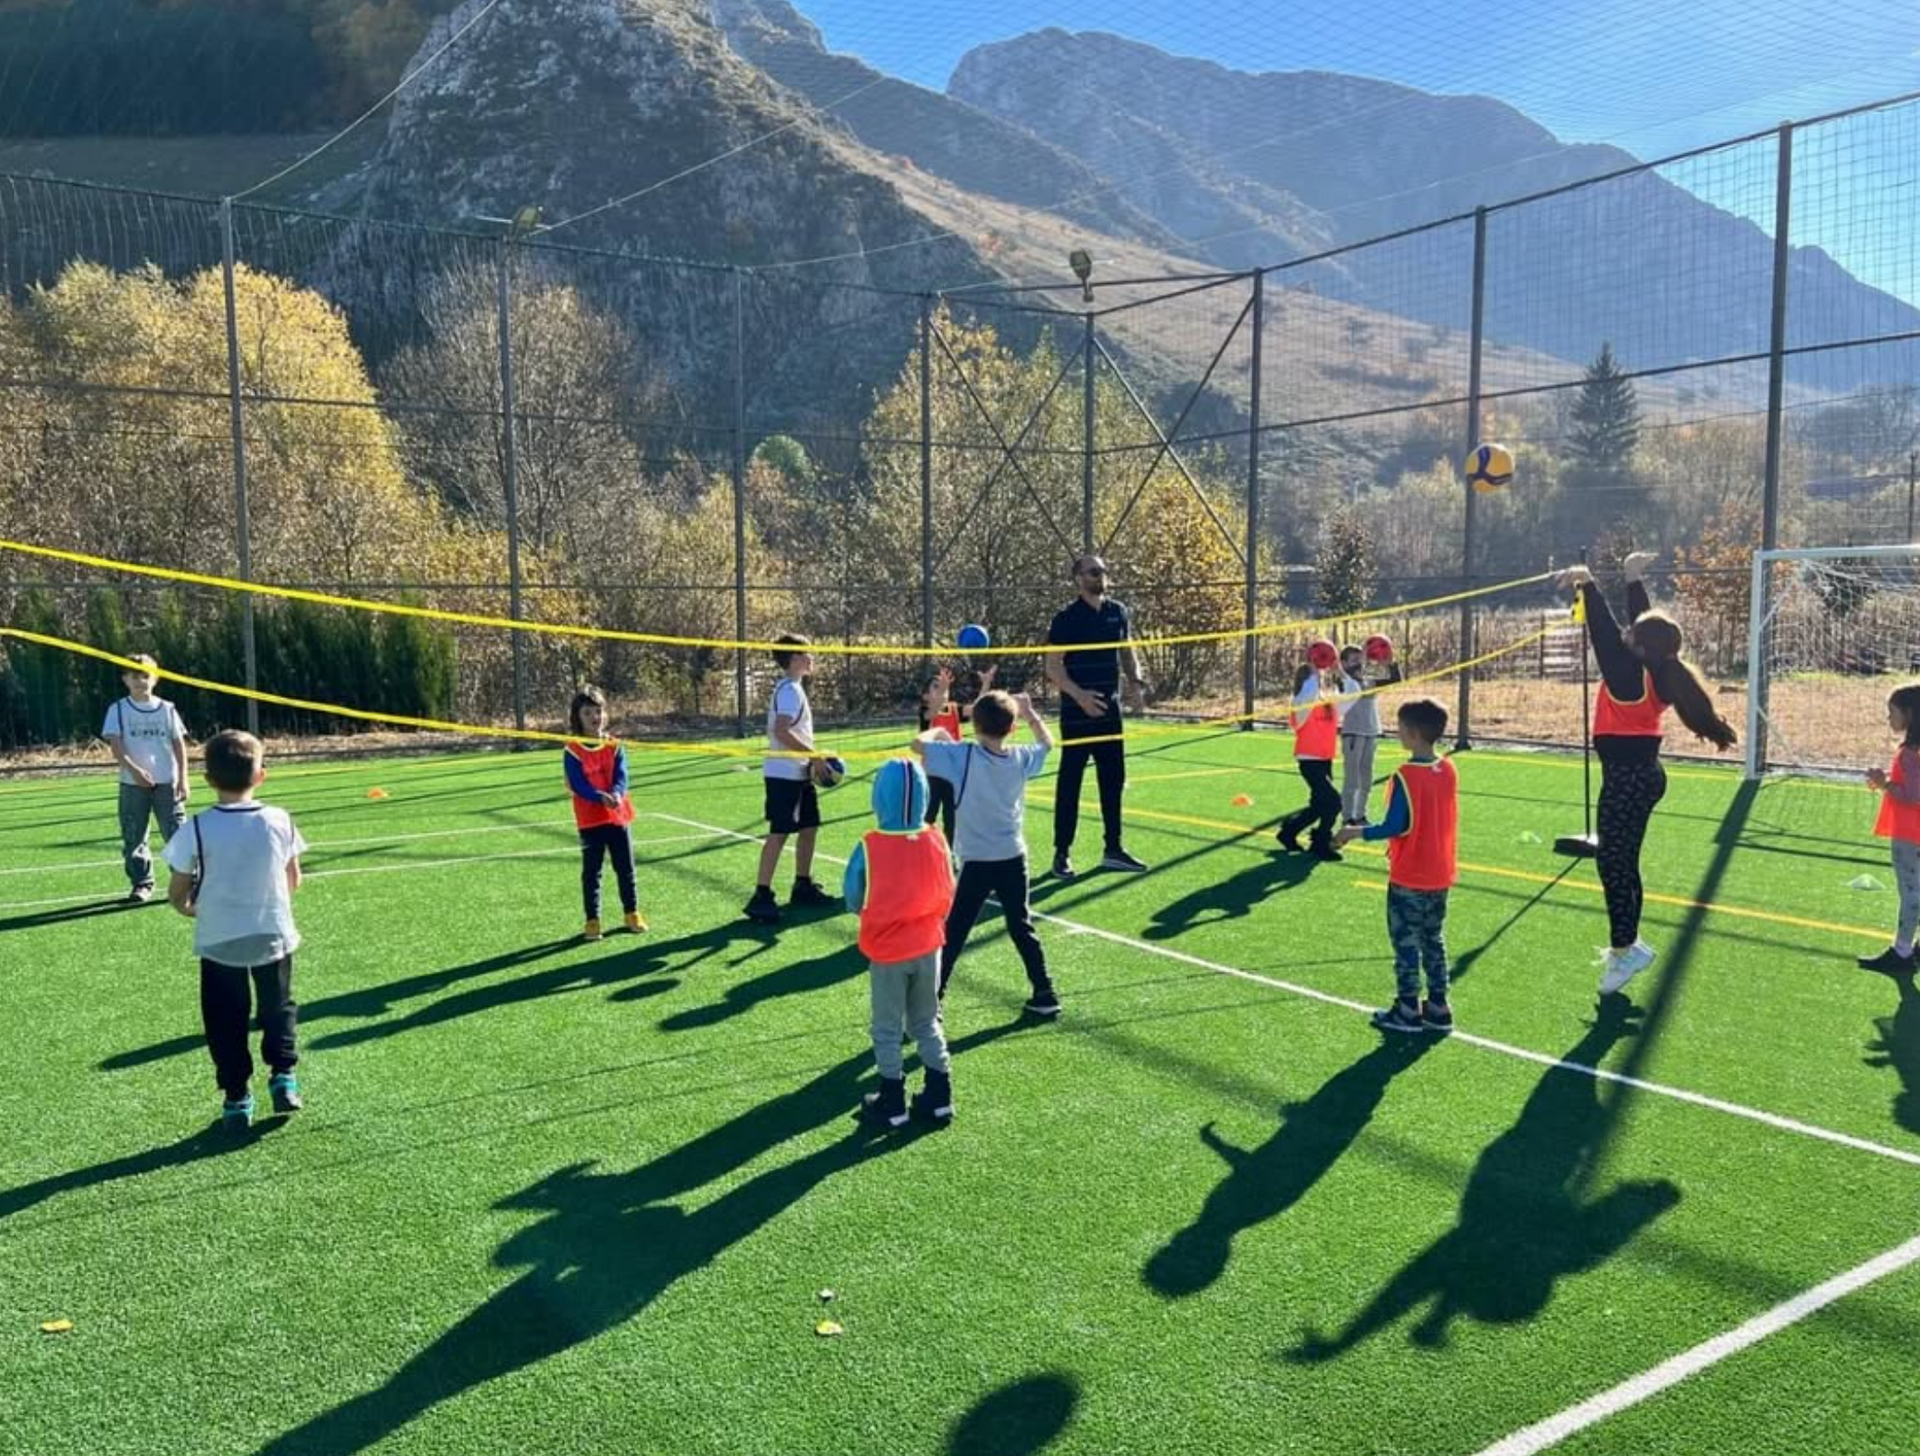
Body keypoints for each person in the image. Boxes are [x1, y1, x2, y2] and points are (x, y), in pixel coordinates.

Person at [1557, 552, 1738, 995]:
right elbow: (1643, 628)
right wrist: (1633, 577)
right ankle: (1628, 945)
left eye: (1631, 635)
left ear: (1639, 647)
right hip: (1641, 776)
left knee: (1613, 864)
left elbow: (1603, 634)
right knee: (1621, 861)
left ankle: (1625, 949)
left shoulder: (1628, 675)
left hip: (1627, 781)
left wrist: (1589, 584)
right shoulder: (1655, 665)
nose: (1625, 634)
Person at [161, 730, 305, 1131]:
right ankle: (284, 1075)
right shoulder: (279, 819)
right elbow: (293, 880)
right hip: (271, 930)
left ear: (208, 780)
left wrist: (189, 909)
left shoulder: (197, 827)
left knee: (225, 1018)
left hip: (219, 935)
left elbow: (177, 890)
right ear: (261, 776)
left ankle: (237, 1096)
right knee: (277, 1007)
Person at [916, 689, 1061, 1017]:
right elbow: (1048, 743)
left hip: (979, 860)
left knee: (954, 931)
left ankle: (933, 1000)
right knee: (1020, 925)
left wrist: (938, 730)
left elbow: (918, 746)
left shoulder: (963, 755)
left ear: (975, 726)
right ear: (1011, 728)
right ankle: (1045, 990)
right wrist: (1029, 712)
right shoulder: (1021, 756)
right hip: (1013, 856)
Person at [842, 758, 957, 1127]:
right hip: (929, 945)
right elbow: (948, 890)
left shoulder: (870, 844)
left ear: (880, 797)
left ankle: (892, 1099)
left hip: (889, 950)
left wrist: (867, 913)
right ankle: (940, 1094)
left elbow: (852, 895)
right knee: (926, 1021)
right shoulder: (936, 837)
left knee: (887, 1027)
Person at [1338, 698, 1458, 1033]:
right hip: (1440, 874)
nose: (1398, 732)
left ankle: (1407, 1009)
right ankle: (1438, 1006)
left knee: (1406, 943)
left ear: (1415, 733)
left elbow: (1395, 825)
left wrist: (1354, 831)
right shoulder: (1447, 768)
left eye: (1402, 727)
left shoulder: (1407, 774)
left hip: (1411, 876)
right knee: (1433, 938)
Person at [1044, 553, 1148, 879]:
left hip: (1110, 712)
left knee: (1113, 781)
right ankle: (1062, 853)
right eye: (1093, 572)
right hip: (1077, 713)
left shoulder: (1118, 612)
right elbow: (1052, 666)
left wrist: (1136, 683)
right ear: (1078, 578)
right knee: (1070, 782)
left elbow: (1127, 650)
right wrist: (1080, 696)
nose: (1100, 576)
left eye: (1103, 570)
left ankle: (1113, 849)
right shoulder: (1066, 618)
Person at [746, 633, 838, 924]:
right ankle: (761, 894)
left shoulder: (794, 688)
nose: (811, 657)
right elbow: (782, 731)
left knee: (809, 826)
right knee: (780, 831)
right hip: (784, 775)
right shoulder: (788, 691)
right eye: (806, 653)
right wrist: (814, 756)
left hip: (797, 772)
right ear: (794, 658)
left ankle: (802, 884)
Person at [103, 652, 189, 904]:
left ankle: (186, 882)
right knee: (134, 835)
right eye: (134, 676)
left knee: (176, 833)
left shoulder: (167, 709)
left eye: (145, 675)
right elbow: (116, 746)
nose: (140, 681)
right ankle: (142, 883)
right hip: (133, 785)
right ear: (125, 679)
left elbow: (178, 744)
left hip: (167, 783)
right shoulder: (117, 709)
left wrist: (183, 778)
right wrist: (135, 771)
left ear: (155, 678)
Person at [564, 686, 645, 942]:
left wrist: (617, 795)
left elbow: (622, 775)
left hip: (617, 815)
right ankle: (592, 920)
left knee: (626, 868)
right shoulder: (572, 750)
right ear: (578, 717)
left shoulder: (614, 745)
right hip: (590, 818)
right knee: (592, 872)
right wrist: (599, 797)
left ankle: (632, 913)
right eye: (587, 713)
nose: (594, 717)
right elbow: (577, 784)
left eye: (598, 711)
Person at [1860, 682, 1920, 974]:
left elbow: (1913, 795)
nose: (1889, 719)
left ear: (1909, 714)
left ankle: (1903, 952)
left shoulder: (1910, 753)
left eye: (1892, 712)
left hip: (1910, 835)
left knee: (1911, 894)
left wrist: (1885, 783)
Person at [919, 663, 996, 841]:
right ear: (925, 697)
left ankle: (949, 853)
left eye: (944, 686)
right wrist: (943, 690)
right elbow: (934, 711)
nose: (942, 689)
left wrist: (985, 684)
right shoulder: (926, 711)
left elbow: (979, 708)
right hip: (932, 772)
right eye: (936, 687)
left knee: (951, 816)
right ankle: (921, 846)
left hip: (954, 772)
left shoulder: (954, 709)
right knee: (929, 814)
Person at [1276, 660, 1344, 861]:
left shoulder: (1327, 702)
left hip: (1325, 759)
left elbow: (1351, 696)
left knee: (1319, 806)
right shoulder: (1301, 703)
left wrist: (1339, 670)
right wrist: (1317, 669)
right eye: (1314, 677)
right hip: (1309, 760)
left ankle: (1288, 831)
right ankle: (1320, 843)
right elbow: (1309, 693)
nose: (1319, 680)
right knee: (1334, 802)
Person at [1338, 643, 1401, 826]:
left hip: (1371, 730)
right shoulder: (1345, 678)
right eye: (1354, 659)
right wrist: (1367, 666)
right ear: (1344, 663)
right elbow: (1354, 682)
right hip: (1353, 731)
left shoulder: (1367, 672)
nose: (1359, 662)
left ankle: (1360, 815)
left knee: (1366, 778)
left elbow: (1395, 676)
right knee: (1352, 779)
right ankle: (1348, 817)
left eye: (1361, 658)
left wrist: (1387, 658)